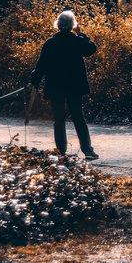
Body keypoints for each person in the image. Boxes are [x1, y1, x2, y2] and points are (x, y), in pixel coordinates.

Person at [29, 10, 99, 159]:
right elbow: (91, 49)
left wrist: (34, 80)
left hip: (56, 87)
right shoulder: (77, 41)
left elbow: (41, 65)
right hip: (74, 86)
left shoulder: (50, 43)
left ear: (58, 25)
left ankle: (61, 151)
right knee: (78, 117)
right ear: (72, 25)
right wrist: (81, 34)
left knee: (58, 119)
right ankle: (87, 150)